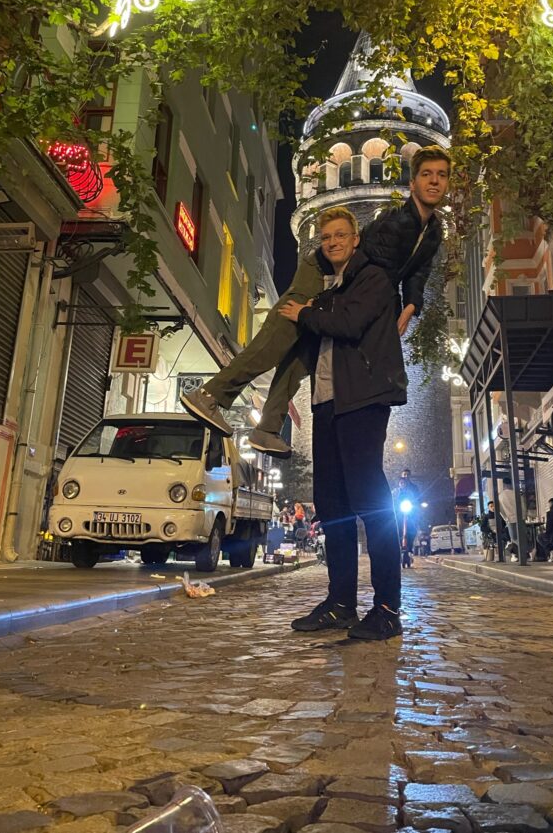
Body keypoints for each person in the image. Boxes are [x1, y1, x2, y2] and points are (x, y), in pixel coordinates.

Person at [180, 147, 450, 456]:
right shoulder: (394, 221)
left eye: (441, 175)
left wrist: (411, 304)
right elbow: (364, 263)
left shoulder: (433, 232)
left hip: (347, 288)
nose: (434, 182)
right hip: (323, 272)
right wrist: (356, 305)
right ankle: (211, 395)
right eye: (426, 174)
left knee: (303, 356)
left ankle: (267, 429)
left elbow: (419, 269)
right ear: (412, 183)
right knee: (278, 339)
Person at [279, 206, 407, 641]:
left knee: (370, 499)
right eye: (325, 237)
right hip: (327, 403)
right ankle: (340, 604)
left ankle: (388, 607)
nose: (331, 242)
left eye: (339, 235)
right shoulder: (329, 287)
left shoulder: (374, 278)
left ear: (356, 240)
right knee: (332, 506)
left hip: (364, 399)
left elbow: (349, 324)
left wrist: (304, 313)